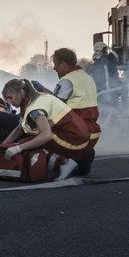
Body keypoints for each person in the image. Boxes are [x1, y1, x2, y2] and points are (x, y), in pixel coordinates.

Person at [1, 78, 91, 181]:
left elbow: (46, 135)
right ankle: (79, 157)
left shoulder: (34, 109)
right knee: (28, 139)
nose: (8, 101)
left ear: (21, 93)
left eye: (10, 97)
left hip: (75, 139)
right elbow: (20, 128)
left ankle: (65, 163)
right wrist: (3, 145)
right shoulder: (36, 99)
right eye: (6, 99)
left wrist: (18, 148)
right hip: (77, 135)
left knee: (26, 143)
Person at [50, 47, 100, 175]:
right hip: (91, 131)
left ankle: (64, 160)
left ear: (64, 64)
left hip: (74, 131)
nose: (54, 68)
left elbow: (54, 106)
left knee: (41, 130)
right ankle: (82, 156)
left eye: (55, 64)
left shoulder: (67, 81)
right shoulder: (87, 78)